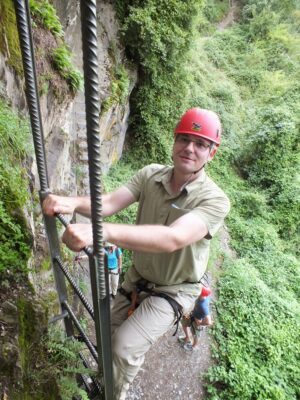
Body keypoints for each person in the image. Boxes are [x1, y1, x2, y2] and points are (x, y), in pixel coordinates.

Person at [43, 107, 230, 400]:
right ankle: (106, 383)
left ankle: (109, 396)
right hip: (137, 278)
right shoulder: (151, 175)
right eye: (183, 139)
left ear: (212, 153)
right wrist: (69, 203)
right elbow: (107, 204)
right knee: (106, 340)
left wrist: (101, 232)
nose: (189, 148)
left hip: (174, 289)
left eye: (201, 144)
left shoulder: (214, 200)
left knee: (123, 347)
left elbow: (173, 238)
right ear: (174, 141)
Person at [179, 286, 213, 351]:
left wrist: (200, 323)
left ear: (201, 293)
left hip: (198, 322)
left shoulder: (203, 305)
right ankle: (187, 338)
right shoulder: (202, 296)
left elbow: (208, 321)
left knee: (196, 335)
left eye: (199, 290)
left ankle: (193, 347)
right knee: (184, 322)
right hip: (193, 314)